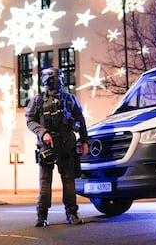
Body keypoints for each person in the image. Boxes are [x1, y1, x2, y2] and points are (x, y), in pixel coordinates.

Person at [26, 67, 89, 227]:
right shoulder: (38, 100)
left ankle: (72, 213)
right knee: (45, 183)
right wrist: (43, 132)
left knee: (69, 182)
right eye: (55, 78)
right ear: (48, 81)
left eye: (59, 78)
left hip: (67, 145)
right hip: (47, 146)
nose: (59, 81)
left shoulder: (70, 99)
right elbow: (30, 120)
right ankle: (42, 216)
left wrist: (84, 141)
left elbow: (80, 121)